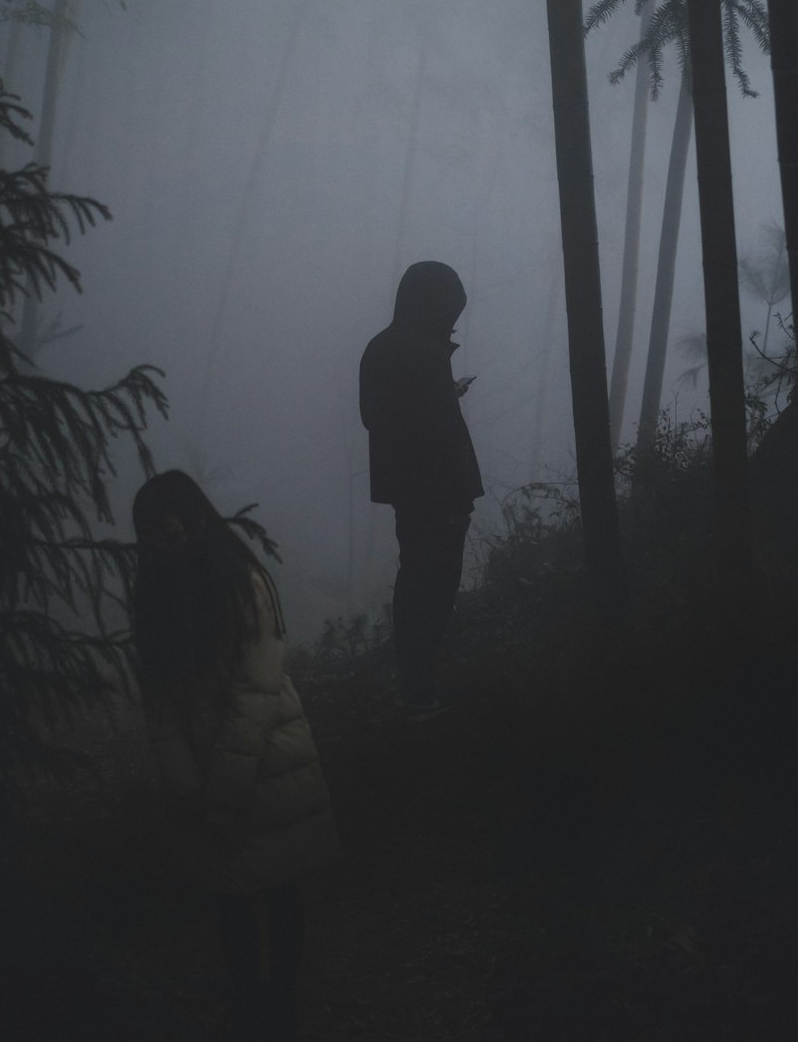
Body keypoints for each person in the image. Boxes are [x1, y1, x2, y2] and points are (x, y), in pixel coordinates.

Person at [131, 470, 340, 1042]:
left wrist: (220, 790)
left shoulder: (241, 583)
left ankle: (282, 1008)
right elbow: (161, 707)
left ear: (196, 523)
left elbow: (256, 691)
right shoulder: (153, 598)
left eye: (171, 533)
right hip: (208, 775)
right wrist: (186, 785)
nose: (162, 546)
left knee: (278, 888)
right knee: (231, 900)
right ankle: (253, 1012)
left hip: (269, 763)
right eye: (152, 538)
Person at [359, 261, 484, 719]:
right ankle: (420, 694)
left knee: (418, 582)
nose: (452, 322)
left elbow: (382, 416)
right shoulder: (420, 352)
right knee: (429, 591)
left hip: (414, 494)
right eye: (449, 311)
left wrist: (441, 391)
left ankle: (417, 689)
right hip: (436, 496)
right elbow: (432, 431)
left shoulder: (383, 347)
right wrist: (454, 501)